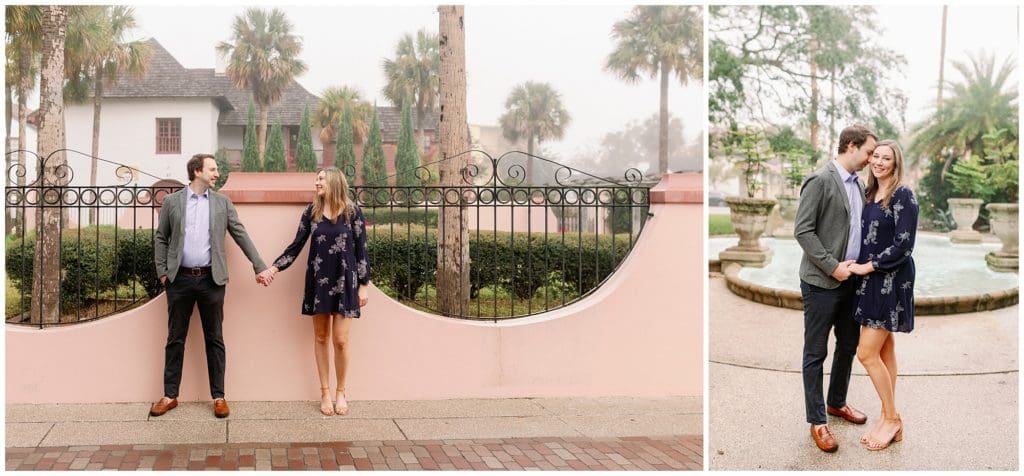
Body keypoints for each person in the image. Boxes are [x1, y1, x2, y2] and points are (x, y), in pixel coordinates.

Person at [151, 153, 270, 418]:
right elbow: (161, 238)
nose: (217, 173)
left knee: (214, 338)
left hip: (212, 280)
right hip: (179, 280)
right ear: (197, 171)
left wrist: (259, 265)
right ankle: (170, 395)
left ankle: (219, 397)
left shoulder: (221, 203)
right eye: (213, 169)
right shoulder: (172, 202)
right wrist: (163, 272)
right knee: (175, 338)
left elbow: (240, 234)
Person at [259, 167, 371, 416]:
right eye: (316, 179)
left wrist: (364, 285)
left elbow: (362, 250)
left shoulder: (352, 212)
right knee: (321, 337)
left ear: (333, 182)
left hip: (346, 281)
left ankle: (341, 391)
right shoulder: (312, 212)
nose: (316, 183)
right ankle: (325, 392)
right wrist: (274, 268)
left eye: (320, 179)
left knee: (340, 340)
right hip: (319, 280)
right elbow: (296, 245)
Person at [794, 125, 877, 452]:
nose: (871, 159)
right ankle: (817, 420)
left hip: (853, 282)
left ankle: (836, 402)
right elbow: (803, 231)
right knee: (816, 352)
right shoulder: (820, 180)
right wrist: (832, 266)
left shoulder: (858, 184)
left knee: (848, 345)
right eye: (869, 152)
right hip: (821, 283)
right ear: (852, 146)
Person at [847, 140, 917, 450]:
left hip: (890, 278)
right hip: (870, 278)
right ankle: (889, 419)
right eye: (875, 156)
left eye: (886, 158)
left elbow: (904, 245)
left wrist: (869, 266)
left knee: (866, 353)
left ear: (895, 163)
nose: (878, 161)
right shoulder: (868, 193)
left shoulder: (902, 194)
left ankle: (891, 418)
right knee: (885, 351)